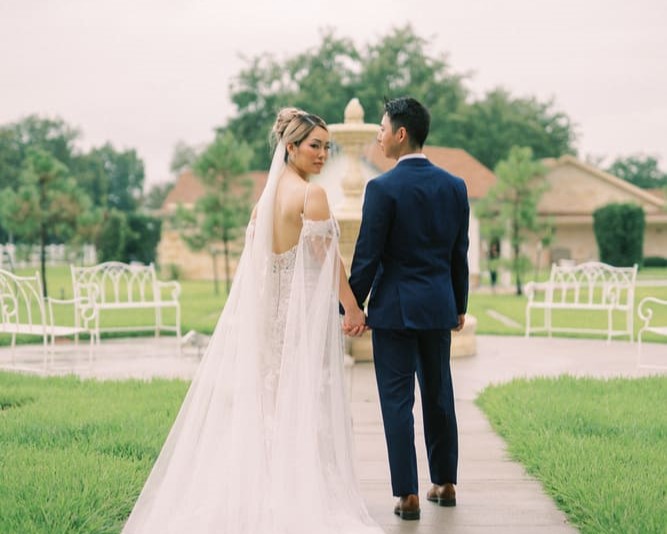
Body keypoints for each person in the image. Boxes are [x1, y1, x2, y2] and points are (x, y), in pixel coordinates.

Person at [122, 108, 381, 534]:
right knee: (305, 404)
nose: (322, 155)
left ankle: (261, 491)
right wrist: (353, 308)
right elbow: (325, 259)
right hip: (296, 324)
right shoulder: (311, 196)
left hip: (266, 319)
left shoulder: (265, 200)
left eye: (327, 147)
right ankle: (297, 495)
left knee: (271, 404)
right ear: (290, 147)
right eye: (314, 146)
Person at [348, 97, 470, 521]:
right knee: (439, 395)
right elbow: (460, 253)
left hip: (394, 311)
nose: (378, 137)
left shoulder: (381, 189)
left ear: (401, 134)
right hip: (438, 306)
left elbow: (367, 256)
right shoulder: (455, 186)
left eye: (382, 130)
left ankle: (408, 495)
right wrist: (459, 305)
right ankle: (446, 483)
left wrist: (350, 307)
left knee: (397, 402)